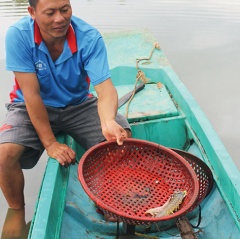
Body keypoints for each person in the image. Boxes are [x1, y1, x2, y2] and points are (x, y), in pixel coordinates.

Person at [0, 0, 131, 211]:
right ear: (32, 12)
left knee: (120, 140)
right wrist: (50, 144)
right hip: (29, 105)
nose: (59, 18)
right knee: (4, 154)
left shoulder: (89, 37)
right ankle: (16, 211)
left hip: (78, 104)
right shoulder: (18, 35)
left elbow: (105, 89)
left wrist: (107, 121)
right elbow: (32, 95)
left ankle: (109, 201)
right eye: (50, 12)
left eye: (64, 9)